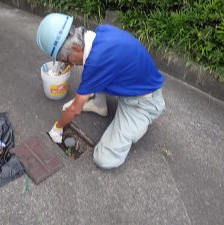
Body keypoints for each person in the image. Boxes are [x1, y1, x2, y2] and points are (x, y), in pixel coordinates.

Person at [36, 13, 165, 169]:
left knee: (103, 159)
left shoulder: (96, 62)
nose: (68, 64)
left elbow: (75, 109)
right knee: (90, 72)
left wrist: (58, 127)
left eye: (66, 60)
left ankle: (137, 124)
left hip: (143, 103)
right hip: (134, 83)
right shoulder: (100, 33)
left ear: (76, 47)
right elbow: (93, 66)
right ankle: (99, 105)